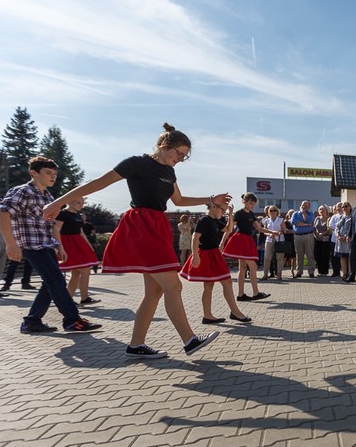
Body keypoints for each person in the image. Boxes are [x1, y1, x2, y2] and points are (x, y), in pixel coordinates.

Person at [44, 125, 227, 357]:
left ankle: (136, 345)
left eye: (184, 156)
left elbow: (179, 199)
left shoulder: (170, 172)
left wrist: (210, 198)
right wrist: (58, 203)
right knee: (173, 285)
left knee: (155, 291)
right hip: (141, 226)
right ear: (164, 146)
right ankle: (189, 340)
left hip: (158, 226)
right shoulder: (137, 163)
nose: (180, 159)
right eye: (178, 154)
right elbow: (99, 183)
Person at [0, 157, 102, 334]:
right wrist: (10, 244)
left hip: (46, 245)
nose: (53, 177)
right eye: (48, 173)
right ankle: (72, 320)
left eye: (54, 174)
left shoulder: (47, 195)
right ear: (33, 173)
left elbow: (51, 224)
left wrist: (59, 246)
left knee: (50, 283)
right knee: (56, 281)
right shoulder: (23, 191)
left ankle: (32, 321)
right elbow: (2, 214)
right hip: (31, 245)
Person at [179, 202, 250, 324]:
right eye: (223, 210)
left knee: (211, 285)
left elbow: (229, 230)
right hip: (206, 254)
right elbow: (195, 238)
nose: (223, 213)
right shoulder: (204, 220)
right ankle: (233, 312)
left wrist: (231, 214)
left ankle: (209, 316)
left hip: (213, 253)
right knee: (224, 282)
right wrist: (195, 255)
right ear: (213, 207)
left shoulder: (215, 220)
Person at [53, 196, 100, 304]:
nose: (81, 205)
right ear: (69, 201)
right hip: (69, 244)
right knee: (85, 270)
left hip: (78, 243)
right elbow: (56, 229)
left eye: (82, 203)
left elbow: (81, 231)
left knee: (76, 273)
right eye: (79, 202)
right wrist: (58, 246)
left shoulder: (77, 215)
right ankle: (84, 298)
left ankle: (68, 300)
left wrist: (88, 245)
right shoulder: (63, 214)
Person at [223, 192, 269, 302]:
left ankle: (240, 294)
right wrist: (230, 214)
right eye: (251, 203)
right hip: (240, 239)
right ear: (244, 202)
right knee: (253, 266)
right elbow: (229, 228)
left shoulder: (251, 214)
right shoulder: (239, 213)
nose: (252, 205)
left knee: (243, 268)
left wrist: (272, 232)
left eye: (253, 204)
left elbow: (259, 229)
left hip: (247, 240)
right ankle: (255, 293)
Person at [290, 200, 316, 278]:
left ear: (309, 207)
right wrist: (306, 225)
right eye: (303, 205)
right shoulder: (295, 214)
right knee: (299, 255)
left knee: (310, 254)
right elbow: (295, 223)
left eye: (306, 205)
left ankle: (311, 271)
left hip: (308, 236)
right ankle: (299, 271)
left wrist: (304, 213)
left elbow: (308, 220)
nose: (304, 206)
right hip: (298, 236)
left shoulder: (311, 214)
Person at [260, 205, 286, 281]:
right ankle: (265, 274)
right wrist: (269, 234)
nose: (273, 212)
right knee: (267, 257)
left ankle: (279, 274)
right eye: (271, 210)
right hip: (269, 239)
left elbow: (284, 231)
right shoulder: (266, 220)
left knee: (279, 257)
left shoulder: (281, 220)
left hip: (279, 239)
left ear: (277, 211)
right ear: (269, 212)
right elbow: (264, 231)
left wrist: (279, 233)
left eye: (274, 210)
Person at [335, 202, 352, 280]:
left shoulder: (352, 217)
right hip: (340, 240)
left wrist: (345, 237)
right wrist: (338, 235)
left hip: (348, 240)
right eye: (343, 207)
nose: (344, 208)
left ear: (350, 207)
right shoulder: (341, 217)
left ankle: (349, 273)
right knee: (342, 257)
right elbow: (337, 227)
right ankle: (344, 273)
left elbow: (351, 228)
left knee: (349, 257)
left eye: (346, 206)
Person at [313, 204, 332, 276]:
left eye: (323, 209)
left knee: (325, 255)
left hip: (326, 240)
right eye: (320, 209)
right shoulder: (317, 218)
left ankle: (324, 272)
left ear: (326, 210)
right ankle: (319, 270)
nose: (321, 211)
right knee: (317, 255)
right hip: (317, 239)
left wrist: (322, 234)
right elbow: (314, 228)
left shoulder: (329, 218)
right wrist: (317, 234)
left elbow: (329, 229)